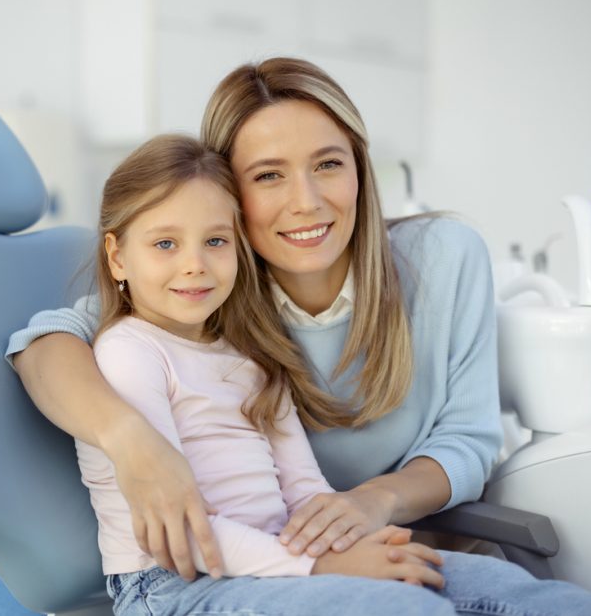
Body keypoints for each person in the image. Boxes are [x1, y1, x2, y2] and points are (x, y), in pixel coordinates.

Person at [8, 57, 591, 614]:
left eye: (328, 164)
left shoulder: (439, 258)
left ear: (360, 170)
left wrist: (369, 509)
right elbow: (46, 345)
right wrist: (133, 443)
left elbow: (465, 438)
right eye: (267, 175)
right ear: (230, 195)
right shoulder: (199, 292)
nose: (306, 201)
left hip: (340, 544)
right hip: (236, 571)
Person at [81, 133, 451, 614]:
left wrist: (356, 544)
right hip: (175, 582)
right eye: (166, 243)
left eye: (215, 241)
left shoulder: (250, 358)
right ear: (117, 257)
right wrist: (322, 568)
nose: (194, 265)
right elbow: (180, 534)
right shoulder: (130, 352)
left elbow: (305, 490)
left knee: (476, 583)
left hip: (277, 560)